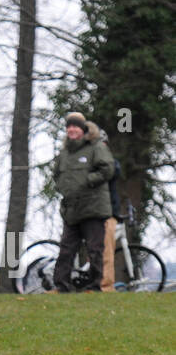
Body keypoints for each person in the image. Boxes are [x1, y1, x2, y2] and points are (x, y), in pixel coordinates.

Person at [52, 111, 115, 293]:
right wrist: (63, 189)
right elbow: (57, 175)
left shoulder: (96, 147)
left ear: (83, 129)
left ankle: (95, 286)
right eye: (69, 126)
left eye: (75, 126)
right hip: (71, 209)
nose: (71, 129)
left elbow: (108, 169)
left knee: (95, 249)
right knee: (66, 250)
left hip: (93, 208)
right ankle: (61, 286)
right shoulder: (64, 153)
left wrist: (87, 180)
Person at [98, 128, 124, 293]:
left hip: (107, 213)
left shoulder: (111, 164)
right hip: (92, 213)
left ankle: (106, 285)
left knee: (106, 251)